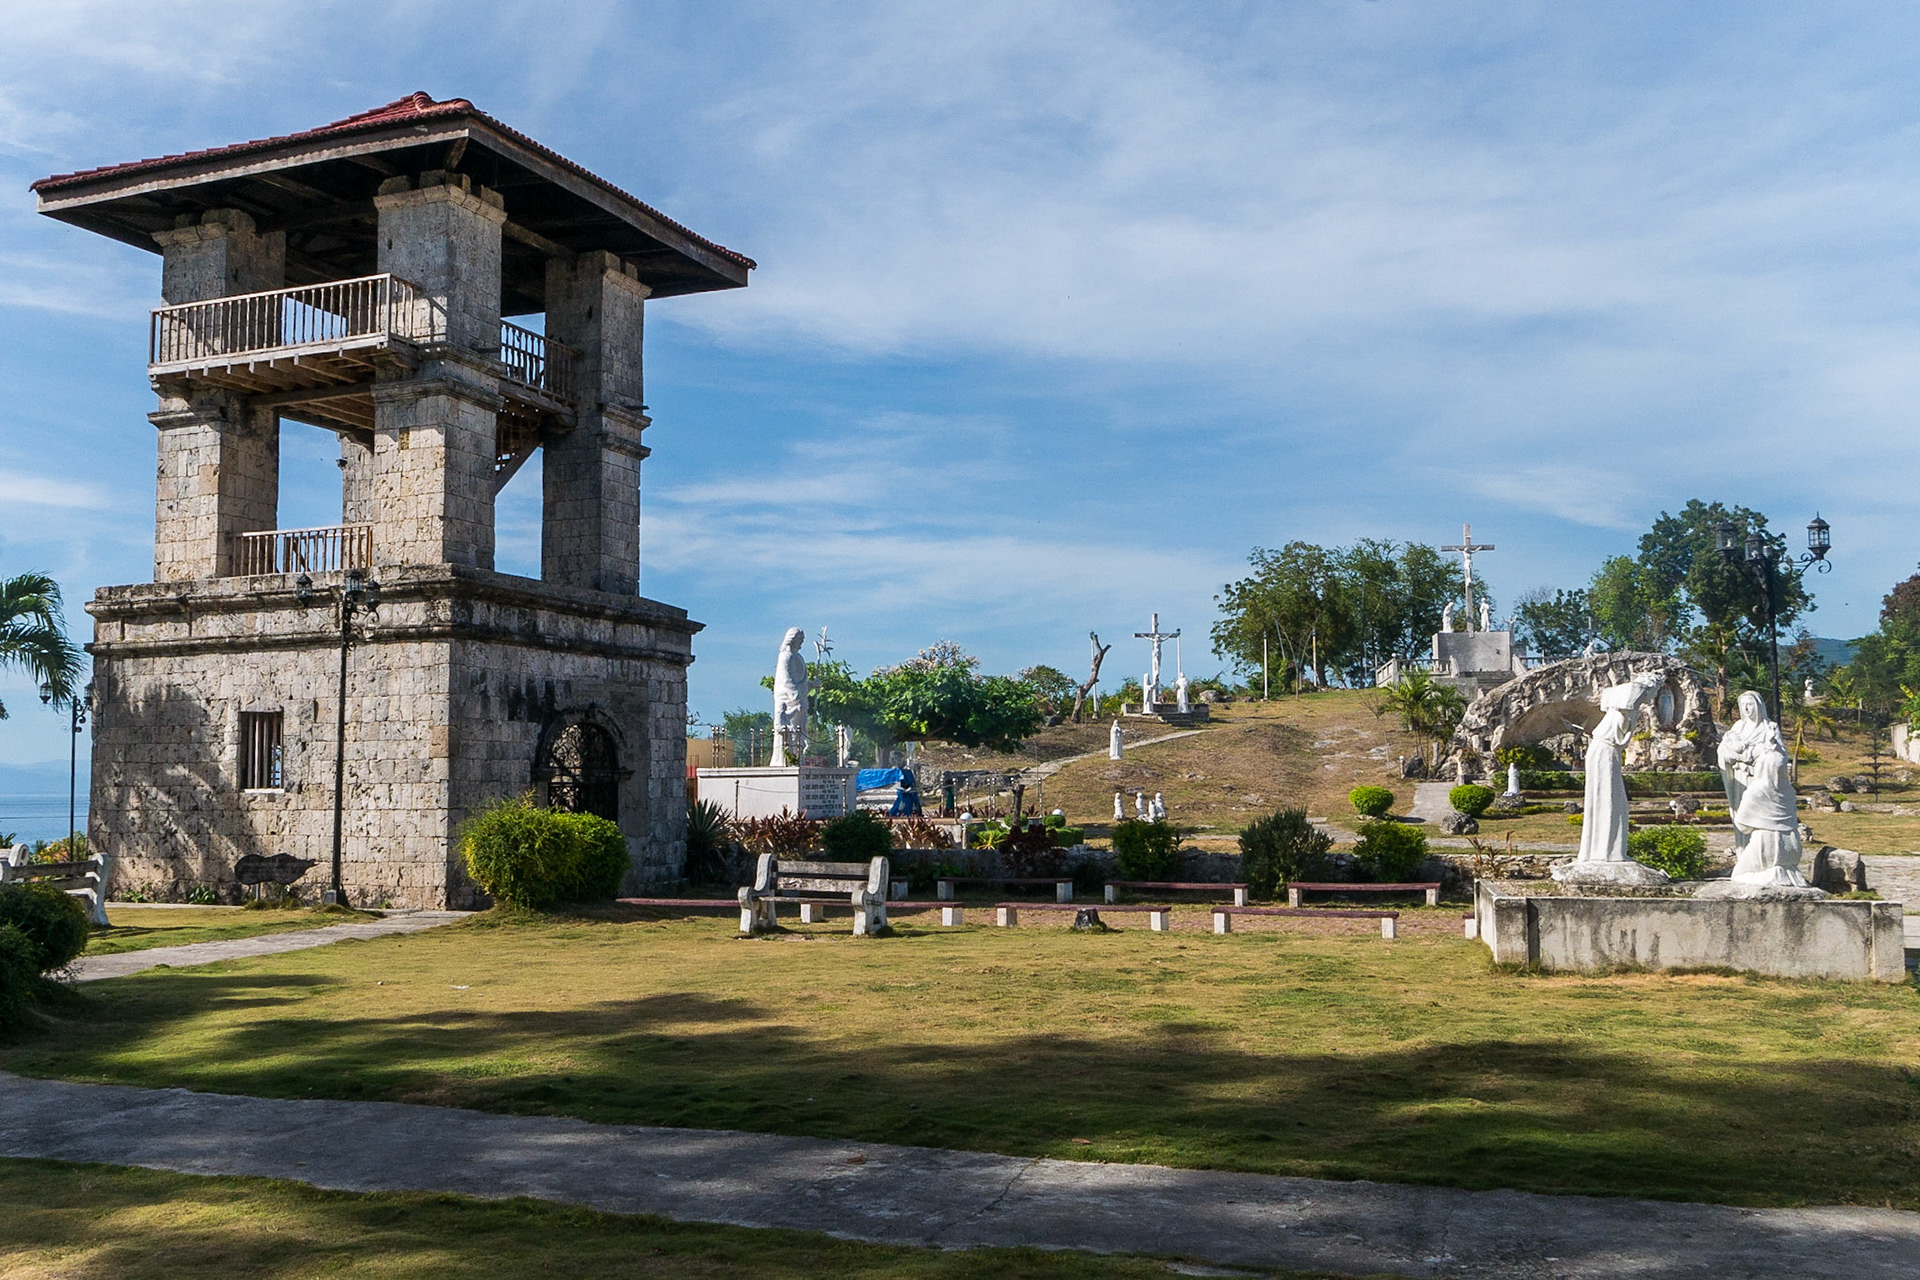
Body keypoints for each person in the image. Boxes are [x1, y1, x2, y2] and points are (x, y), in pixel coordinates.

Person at [1717, 690, 1811, 887]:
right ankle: (1745, 857)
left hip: (1763, 779)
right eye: (1743, 705)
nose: (1747, 709)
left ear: (1759, 706)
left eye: (1750, 704)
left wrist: (1751, 755)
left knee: (1760, 819)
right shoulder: (1738, 727)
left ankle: (1763, 862)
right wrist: (1732, 755)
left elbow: (1778, 754)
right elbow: (1723, 750)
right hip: (1741, 779)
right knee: (1743, 816)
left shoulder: (1770, 728)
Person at [1574, 672, 1666, 865]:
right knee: (1610, 801)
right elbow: (1622, 724)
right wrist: (1625, 713)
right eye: (1656, 689)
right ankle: (1608, 854)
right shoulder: (1632, 699)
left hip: (1602, 750)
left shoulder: (1625, 698)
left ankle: (1604, 852)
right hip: (1605, 751)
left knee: (1610, 801)